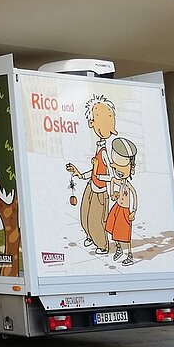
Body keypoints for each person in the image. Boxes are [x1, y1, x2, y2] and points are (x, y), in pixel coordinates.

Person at [66, 95, 116, 254]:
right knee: (84, 215)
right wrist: (79, 174)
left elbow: (111, 175)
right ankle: (90, 237)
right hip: (91, 186)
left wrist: (96, 172)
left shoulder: (106, 152)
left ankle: (102, 245)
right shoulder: (99, 146)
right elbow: (94, 171)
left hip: (100, 191)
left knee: (96, 220)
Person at [104, 137, 138, 265]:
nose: (118, 171)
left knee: (125, 233)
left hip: (125, 211)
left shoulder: (128, 185)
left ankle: (129, 254)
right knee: (111, 227)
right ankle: (118, 248)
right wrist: (112, 193)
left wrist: (134, 211)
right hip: (117, 207)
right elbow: (113, 181)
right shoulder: (118, 181)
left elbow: (134, 195)